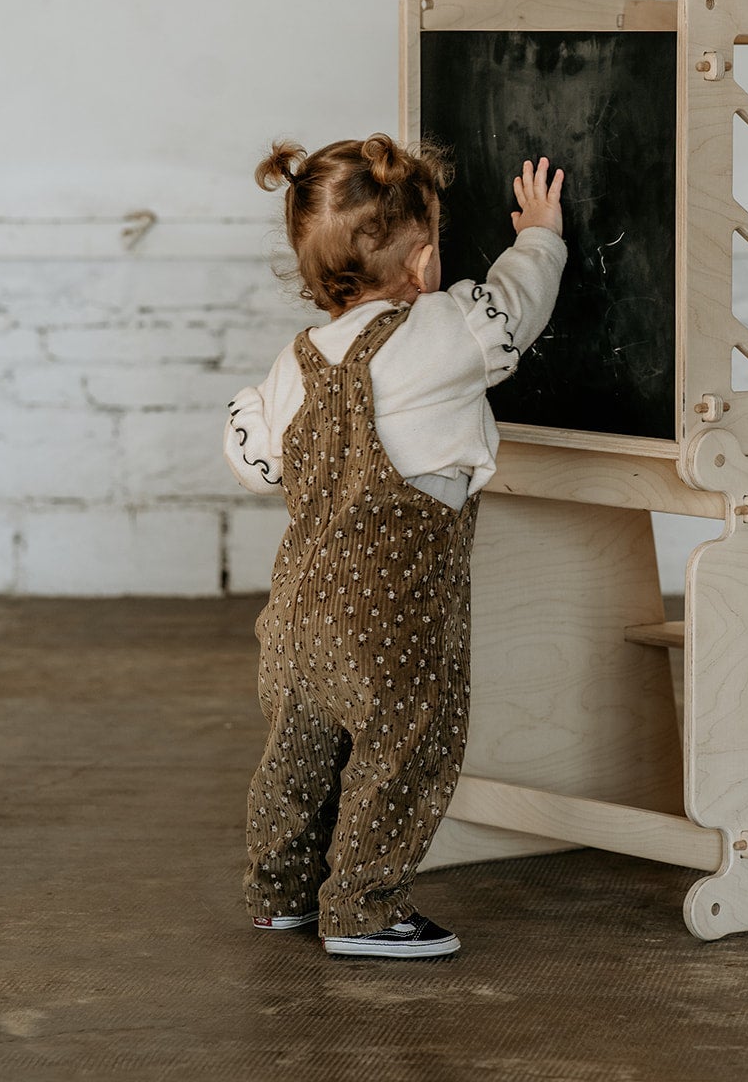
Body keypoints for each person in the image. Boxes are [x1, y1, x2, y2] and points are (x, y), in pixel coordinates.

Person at [224, 133, 565, 958]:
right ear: (420, 265)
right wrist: (541, 236)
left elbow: (252, 459)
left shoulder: (296, 364)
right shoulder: (443, 331)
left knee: (296, 756)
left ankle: (279, 893)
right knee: (403, 750)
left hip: (297, 616)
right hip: (390, 622)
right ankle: (367, 909)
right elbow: (516, 308)